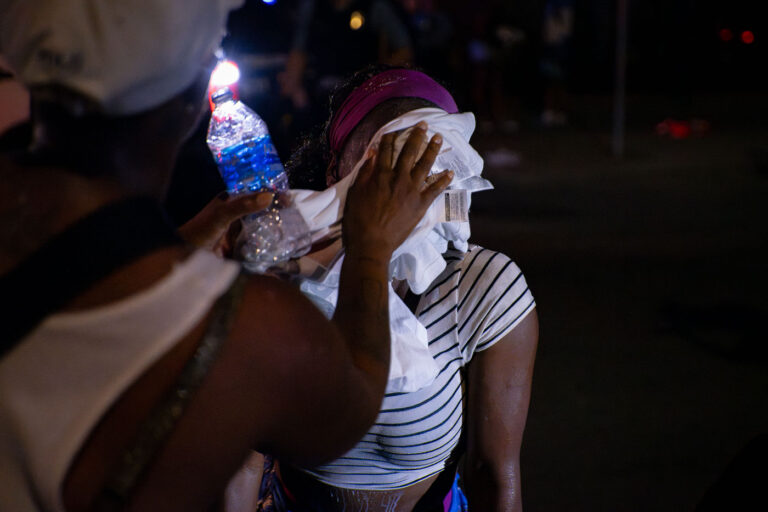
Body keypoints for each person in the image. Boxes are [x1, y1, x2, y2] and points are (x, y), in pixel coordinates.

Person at [0, 2, 452, 511]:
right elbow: (345, 415)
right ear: (195, 103)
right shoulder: (237, 324)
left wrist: (185, 243)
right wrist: (370, 246)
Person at [257, 67, 539, 511]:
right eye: (385, 162)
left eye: (430, 161)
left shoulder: (483, 286)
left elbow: (495, 476)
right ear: (338, 171)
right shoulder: (282, 279)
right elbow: (239, 464)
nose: (406, 185)